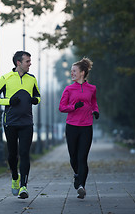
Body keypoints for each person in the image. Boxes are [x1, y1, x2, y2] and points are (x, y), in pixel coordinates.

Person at [0, 50, 41, 199]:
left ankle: (23, 186)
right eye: (27, 61)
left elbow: (38, 96)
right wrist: (8, 101)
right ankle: (14, 177)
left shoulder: (32, 79)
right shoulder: (6, 78)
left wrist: (34, 100)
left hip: (27, 122)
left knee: (25, 153)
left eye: (30, 61)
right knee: (13, 154)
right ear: (18, 63)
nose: (30, 64)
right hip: (10, 122)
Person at [58, 57, 99, 199]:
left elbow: (93, 102)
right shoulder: (68, 89)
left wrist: (96, 111)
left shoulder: (92, 88)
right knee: (73, 158)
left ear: (82, 72)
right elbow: (61, 107)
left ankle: (81, 185)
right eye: (71, 71)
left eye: (74, 71)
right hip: (72, 127)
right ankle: (77, 174)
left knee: (83, 158)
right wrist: (73, 107)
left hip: (86, 127)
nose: (71, 73)